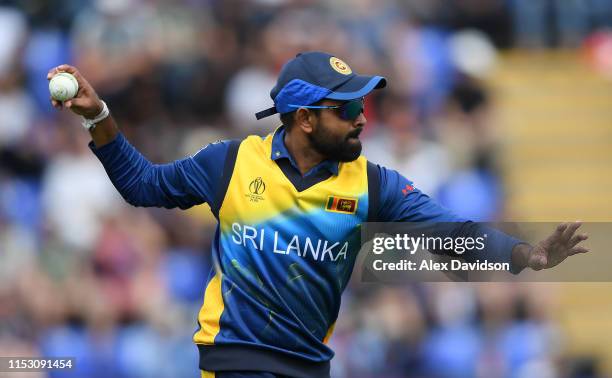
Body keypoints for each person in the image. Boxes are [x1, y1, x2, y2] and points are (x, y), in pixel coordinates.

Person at [48, 51, 588, 378]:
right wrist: (99, 116)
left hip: (311, 365)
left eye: (363, 108)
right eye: (348, 109)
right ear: (304, 118)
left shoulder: (373, 184)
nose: (362, 120)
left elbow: (450, 233)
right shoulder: (232, 162)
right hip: (237, 357)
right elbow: (144, 186)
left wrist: (525, 254)